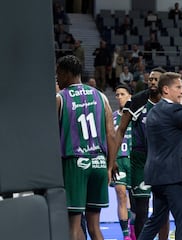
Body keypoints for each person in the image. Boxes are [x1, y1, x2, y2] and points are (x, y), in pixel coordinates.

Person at [56, 55, 116, 240]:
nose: (58, 78)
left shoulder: (60, 98)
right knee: (94, 226)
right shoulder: (101, 96)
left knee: (72, 226)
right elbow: (111, 135)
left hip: (75, 163)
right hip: (98, 163)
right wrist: (109, 166)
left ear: (66, 73)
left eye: (59, 74)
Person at [138, 72, 182, 240]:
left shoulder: (155, 110)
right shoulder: (174, 110)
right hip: (172, 176)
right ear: (165, 90)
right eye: (178, 87)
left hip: (156, 175)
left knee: (156, 219)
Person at [114, 67, 169, 239]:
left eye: (156, 79)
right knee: (141, 209)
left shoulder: (170, 103)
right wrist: (112, 160)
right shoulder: (137, 101)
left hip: (163, 160)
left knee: (163, 209)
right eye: (150, 79)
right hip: (140, 160)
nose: (152, 82)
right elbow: (120, 130)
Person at [112, 84, 133, 240]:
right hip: (118, 160)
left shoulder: (136, 116)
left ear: (130, 96)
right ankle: (126, 235)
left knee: (135, 199)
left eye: (122, 94)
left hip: (134, 161)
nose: (119, 97)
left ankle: (133, 231)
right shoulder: (111, 117)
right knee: (121, 195)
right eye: (117, 94)